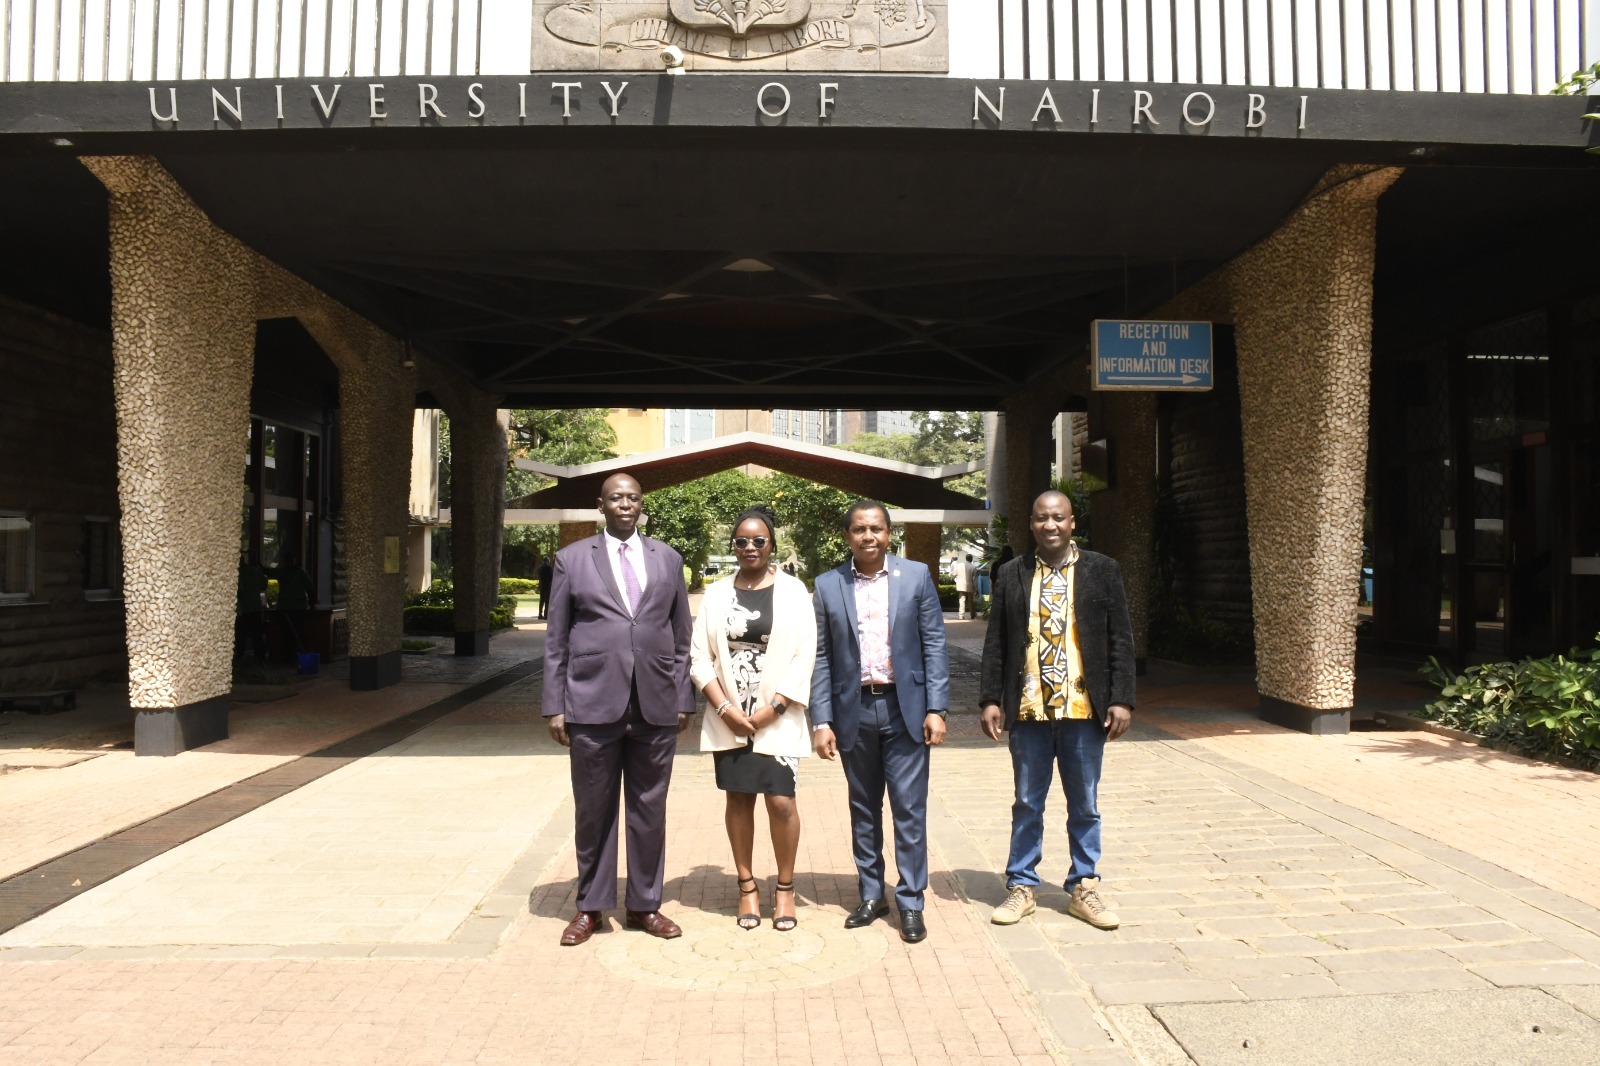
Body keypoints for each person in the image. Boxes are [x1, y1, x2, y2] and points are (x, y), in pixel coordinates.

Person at [543, 472, 694, 946]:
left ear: (641, 503)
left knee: (649, 809)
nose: (625, 504)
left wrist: (682, 697)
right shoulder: (571, 560)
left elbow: (682, 637)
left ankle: (645, 906)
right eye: (615, 498)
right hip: (591, 703)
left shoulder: (668, 559)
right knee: (594, 810)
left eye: (632, 497)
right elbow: (556, 642)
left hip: (654, 706)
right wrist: (555, 706)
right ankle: (590, 906)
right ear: (601, 505)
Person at [979, 490, 1135, 930]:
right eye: (1042, 519)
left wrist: (1122, 698)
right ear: (1031, 524)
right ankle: (1022, 885)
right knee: (1027, 802)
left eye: (1059, 518)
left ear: (1072, 524)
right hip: (1029, 710)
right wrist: (991, 698)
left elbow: (1120, 637)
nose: (1051, 525)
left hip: (1084, 711)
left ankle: (1084, 886)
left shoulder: (1103, 571)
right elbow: (997, 642)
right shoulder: (1011, 573)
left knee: (1084, 803)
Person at [810, 499, 950, 944]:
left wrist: (937, 707)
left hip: (904, 709)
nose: (868, 536)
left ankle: (911, 901)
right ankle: (872, 895)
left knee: (909, 809)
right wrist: (821, 719)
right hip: (853, 711)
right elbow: (821, 657)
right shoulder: (828, 585)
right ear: (847, 535)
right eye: (859, 529)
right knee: (863, 809)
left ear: (890, 533)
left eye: (876, 528)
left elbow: (934, 644)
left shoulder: (917, 576)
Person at [690, 506, 817, 932]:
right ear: (734, 546)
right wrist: (725, 709)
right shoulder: (716, 594)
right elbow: (698, 658)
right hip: (729, 717)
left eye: (758, 540)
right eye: (742, 541)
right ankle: (746, 887)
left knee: (781, 802)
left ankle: (784, 889)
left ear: (771, 545)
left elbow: (805, 653)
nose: (749, 547)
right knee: (739, 799)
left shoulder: (795, 592)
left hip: (777, 717)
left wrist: (774, 708)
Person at [954, 552, 979, 619]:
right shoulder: (973, 567)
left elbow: (953, 573)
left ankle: (961, 615)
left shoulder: (959, 565)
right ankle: (972, 615)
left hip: (961, 585)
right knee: (971, 601)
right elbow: (975, 579)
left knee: (962, 600)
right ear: (971, 559)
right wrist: (976, 588)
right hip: (969, 586)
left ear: (966, 558)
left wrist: (956, 580)